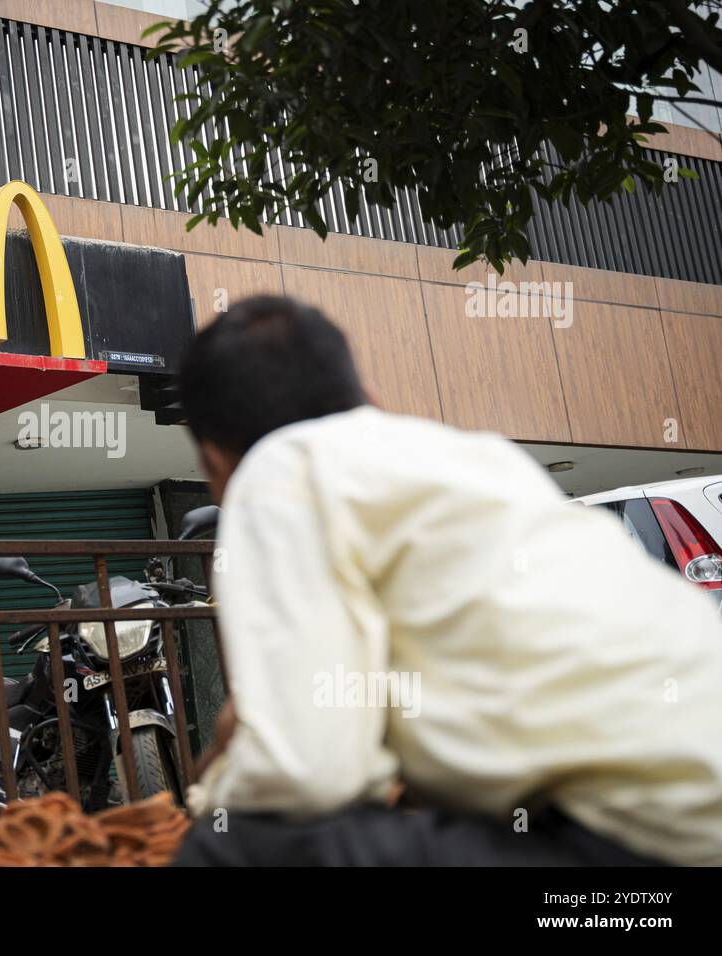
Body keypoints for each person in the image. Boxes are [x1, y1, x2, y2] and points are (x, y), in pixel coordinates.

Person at [171, 295, 722, 866]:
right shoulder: (473, 457)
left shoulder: (278, 469)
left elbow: (305, 775)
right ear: (370, 398)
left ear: (214, 463)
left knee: (233, 844)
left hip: (639, 852)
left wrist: (211, 791)